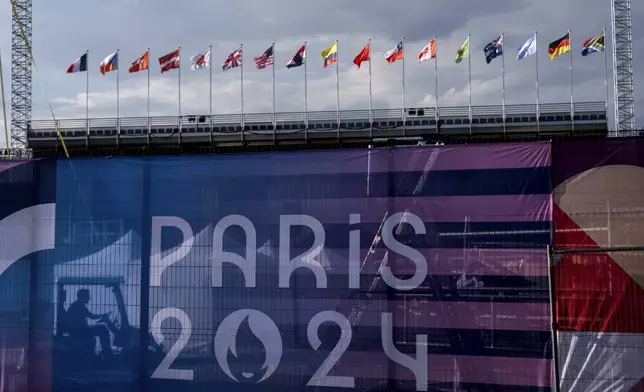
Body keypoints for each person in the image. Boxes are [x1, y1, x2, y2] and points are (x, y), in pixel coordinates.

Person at [66, 288, 113, 357]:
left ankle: (105, 351)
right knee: (103, 329)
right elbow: (92, 316)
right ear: (83, 296)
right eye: (87, 296)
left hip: (79, 330)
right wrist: (103, 315)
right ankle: (107, 352)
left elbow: (91, 316)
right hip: (80, 331)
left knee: (101, 328)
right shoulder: (79, 305)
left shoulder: (77, 304)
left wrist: (102, 316)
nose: (89, 298)